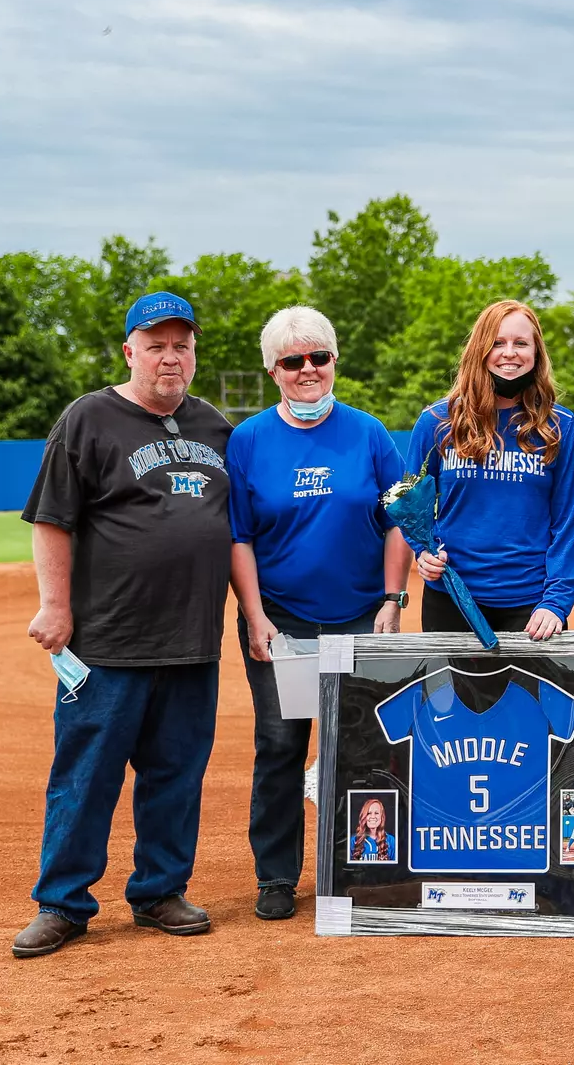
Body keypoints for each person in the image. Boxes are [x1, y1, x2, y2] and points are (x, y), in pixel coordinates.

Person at [13, 291, 234, 958]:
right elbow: (53, 520)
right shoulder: (89, 419)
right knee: (85, 777)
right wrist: (55, 606)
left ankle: (159, 892)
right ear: (129, 350)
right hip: (107, 643)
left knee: (176, 775)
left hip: (192, 640)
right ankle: (63, 904)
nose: (170, 357)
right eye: (157, 344)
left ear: (194, 352)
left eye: (182, 345)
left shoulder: (216, 428)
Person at [226, 305, 410, 921]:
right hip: (283, 620)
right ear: (274, 371)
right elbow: (239, 536)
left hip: (361, 616)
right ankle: (277, 876)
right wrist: (254, 616)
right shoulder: (249, 439)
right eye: (293, 361)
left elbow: (398, 519)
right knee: (280, 745)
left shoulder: (368, 432)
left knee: (366, 748)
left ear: (334, 360)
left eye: (319, 357)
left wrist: (392, 600)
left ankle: (367, 865)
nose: (308, 370)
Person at [408, 300, 574, 639]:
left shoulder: (560, 427)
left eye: (521, 343)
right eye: (498, 343)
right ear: (480, 350)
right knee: (453, 695)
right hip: (452, 598)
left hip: (532, 606)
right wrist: (423, 551)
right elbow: (409, 504)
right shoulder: (438, 422)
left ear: (536, 353)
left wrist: (557, 602)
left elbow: (569, 522)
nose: (509, 353)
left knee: (529, 695)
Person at [352, 796, 396, 862]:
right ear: (364, 816)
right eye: (369, 813)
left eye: (376, 813)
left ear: (382, 817)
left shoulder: (391, 841)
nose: (373, 817)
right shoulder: (354, 841)